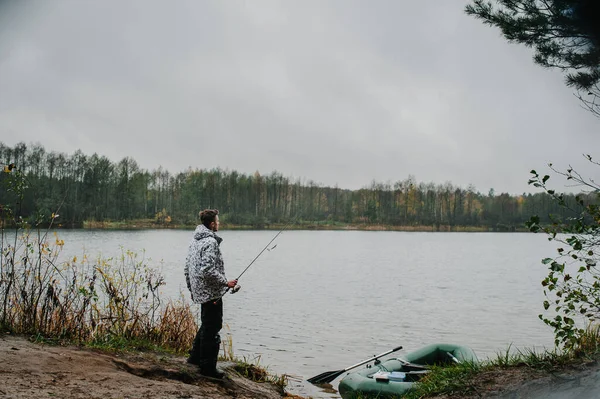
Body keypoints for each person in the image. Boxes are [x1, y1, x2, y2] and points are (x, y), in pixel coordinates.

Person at [184, 209, 237, 378]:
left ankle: (194, 359)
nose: (219, 223)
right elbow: (207, 270)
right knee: (213, 327)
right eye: (218, 221)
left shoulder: (194, 241)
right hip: (210, 292)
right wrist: (225, 283)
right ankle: (207, 368)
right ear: (212, 224)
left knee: (207, 324)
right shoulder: (210, 242)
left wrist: (192, 290)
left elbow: (187, 269)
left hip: (201, 291)